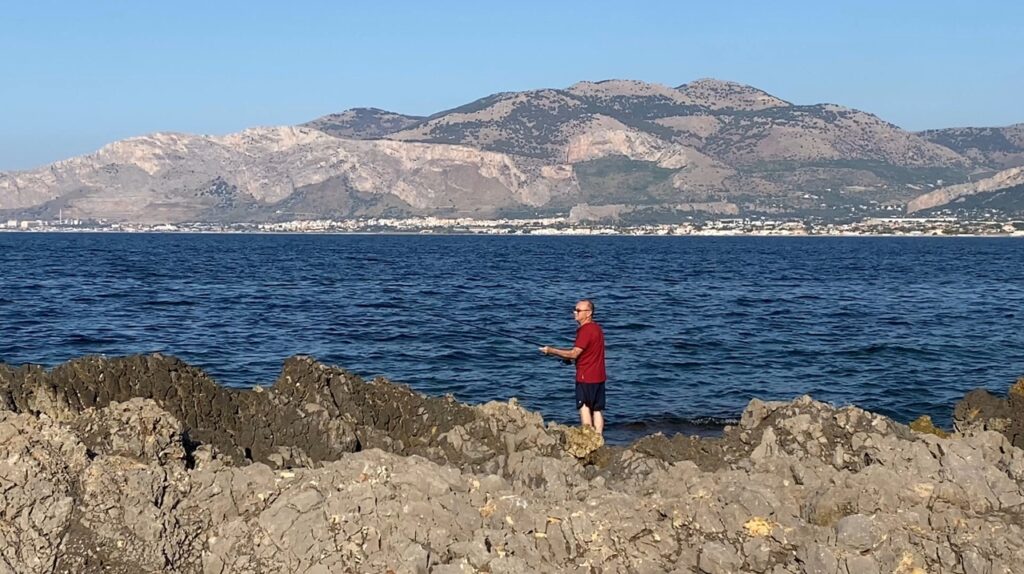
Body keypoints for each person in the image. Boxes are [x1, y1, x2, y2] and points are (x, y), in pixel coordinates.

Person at [539, 299, 607, 434]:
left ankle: (589, 437)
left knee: (584, 406)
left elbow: (574, 353)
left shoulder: (585, 330)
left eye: (578, 310)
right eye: (575, 310)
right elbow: (588, 352)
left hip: (585, 377)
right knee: (597, 409)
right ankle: (599, 438)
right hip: (599, 376)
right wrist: (569, 359)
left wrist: (551, 351)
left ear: (588, 313)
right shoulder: (597, 329)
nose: (574, 313)